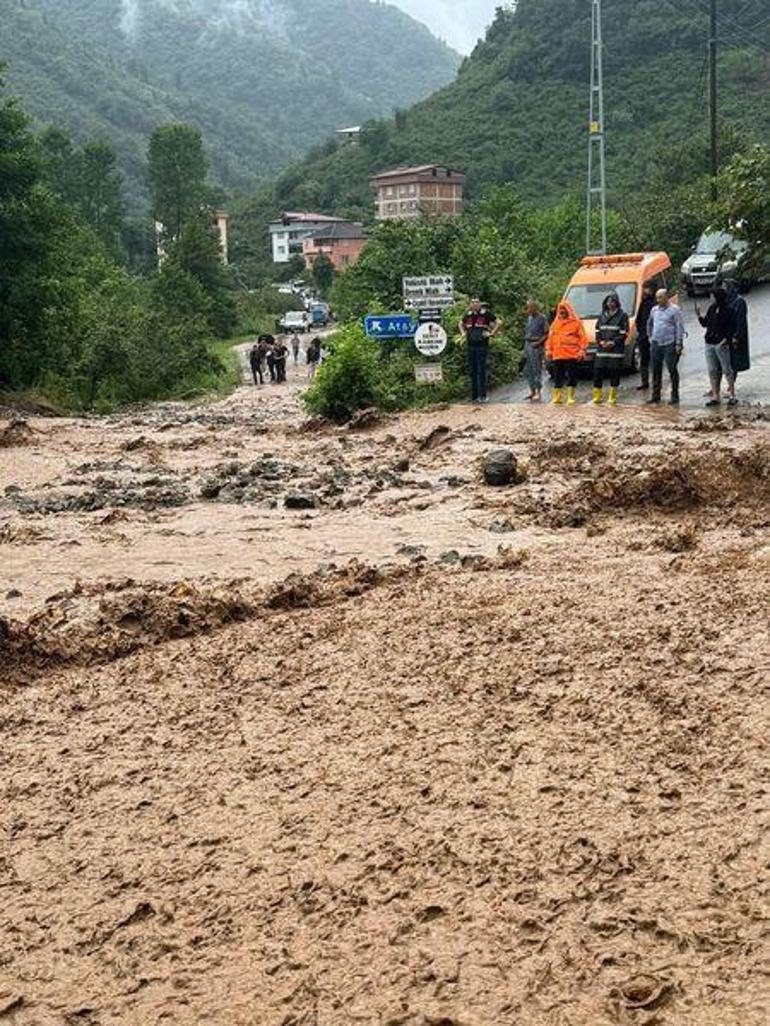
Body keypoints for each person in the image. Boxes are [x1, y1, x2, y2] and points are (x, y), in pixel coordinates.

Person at [696, 286, 736, 407]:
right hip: (709, 343)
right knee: (712, 370)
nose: (710, 298)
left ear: (717, 297)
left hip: (721, 344)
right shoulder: (712, 308)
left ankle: (732, 395)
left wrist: (726, 340)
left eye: (712, 296)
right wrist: (698, 315)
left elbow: (732, 327)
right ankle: (715, 396)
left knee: (727, 370)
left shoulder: (729, 310)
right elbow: (705, 324)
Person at [646, 289, 685, 406]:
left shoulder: (674, 310)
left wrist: (679, 343)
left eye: (661, 297)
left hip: (670, 343)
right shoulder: (654, 310)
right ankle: (655, 395)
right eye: (657, 298)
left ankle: (674, 396)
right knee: (656, 369)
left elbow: (679, 327)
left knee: (672, 369)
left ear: (666, 297)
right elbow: (649, 323)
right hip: (656, 342)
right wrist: (650, 337)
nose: (658, 300)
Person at [459, 298, 502, 404]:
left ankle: (482, 395)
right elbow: (460, 323)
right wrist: (463, 333)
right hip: (470, 345)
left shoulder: (485, 314)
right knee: (472, 371)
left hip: (482, 345)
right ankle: (474, 396)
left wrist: (492, 333)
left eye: (476, 302)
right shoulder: (468, 314)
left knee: (481, 370)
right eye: (472, 302)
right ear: (470, 304)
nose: (474, 304)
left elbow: (499, 322)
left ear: (480, 304)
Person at [545, 300, 587, 405]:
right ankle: (557, 397)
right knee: (558, 376)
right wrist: (549, 351)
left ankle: (570, 397)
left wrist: (582, 350)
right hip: (558, 355)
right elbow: (550, 338)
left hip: (571, 355)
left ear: (569, 310)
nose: (562, 312)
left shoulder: (576, 323)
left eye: (564, 309)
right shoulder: (555, 324)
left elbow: (583, 338)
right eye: (560, 310)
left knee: (572, 376)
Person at [592, 292, 629, 406]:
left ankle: (612, 396)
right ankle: (597, 395)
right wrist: (600, 342)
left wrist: (613, 342)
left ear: (617, 302)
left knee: (614, 373)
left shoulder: (623, 316)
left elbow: (623, 333)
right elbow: (598, 331)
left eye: (612, 301)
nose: (610, 304)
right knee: (598, 372)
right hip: (602, 350)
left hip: (615, 351)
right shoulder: (602, 315)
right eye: (608, 301)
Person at [725, 279, 751, 387]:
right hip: (727, 335)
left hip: (735, 335)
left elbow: (741, 322)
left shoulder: (739, 301)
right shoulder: (726, 301)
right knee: (725, 361)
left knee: (734, 362)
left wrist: (736, 336)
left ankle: (731, 386)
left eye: (727, 287)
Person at [523, 299, 549, 402]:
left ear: (535, 308)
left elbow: (547, 333)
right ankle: (532, 391)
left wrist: (538, 343)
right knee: (528, 370)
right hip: (527, 344)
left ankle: (538, 391)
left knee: (536, 369)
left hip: (536, 346)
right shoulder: (529, 318)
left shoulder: (542, 318)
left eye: (529, 307)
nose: (527, 309)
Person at [635, 282, 656, 391]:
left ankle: (656, 384)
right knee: (644, 360)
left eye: (646, 289)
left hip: (655, 336)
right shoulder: (644, 302)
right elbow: (639, 319)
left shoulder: (655, 303)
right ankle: (645, 382)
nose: (644, 291)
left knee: (656, 361)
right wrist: (641, 332)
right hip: (643, 336)